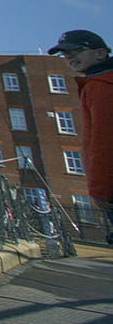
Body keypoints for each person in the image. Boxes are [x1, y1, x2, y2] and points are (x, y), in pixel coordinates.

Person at [48, 28, 113, 244]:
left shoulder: (100, 86)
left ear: (100, 53)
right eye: (65, 54)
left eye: (76, 50)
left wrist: (100, 189)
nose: (69, 58)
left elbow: (103, 140)